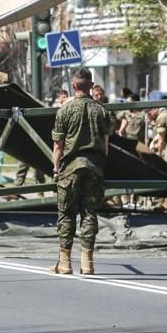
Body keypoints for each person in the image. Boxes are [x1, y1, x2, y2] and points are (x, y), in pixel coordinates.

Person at [51, 67, 111, 275]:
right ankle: (87, 262)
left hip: (70, 168)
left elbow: (58, 145)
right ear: (92, 86)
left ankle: (65, 262)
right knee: (89, 214)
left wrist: (55, 168)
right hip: (94, 167)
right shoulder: (102, 111)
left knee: (66, 213)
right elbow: (105, 145)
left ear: (74, 86)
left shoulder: (64, 111)